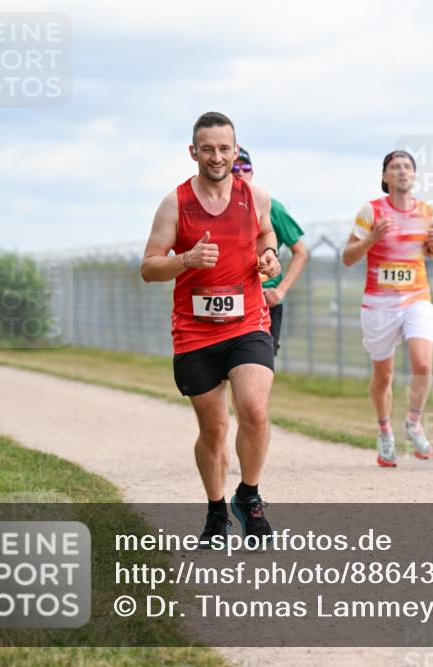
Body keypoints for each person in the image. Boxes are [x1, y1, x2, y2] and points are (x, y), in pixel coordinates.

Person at [140, 112, 281, 548]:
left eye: (224, 148)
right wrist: (185, 260)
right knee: (215, 429)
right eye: (208, 149)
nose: (217, 156)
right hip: (195, 332)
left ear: (235, 151)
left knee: (254, 410)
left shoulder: (255, 196)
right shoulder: (174, 203)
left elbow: (265, 234)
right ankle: (216, 511)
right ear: (193, 152)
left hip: (248, 322)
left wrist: (271, 255)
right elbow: (148, 267)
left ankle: (250, 498)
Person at [341, 150, 433, 467]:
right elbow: (348, 256)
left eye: (407, 167)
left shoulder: (425, 210)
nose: (402, 171)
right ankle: (385, 431)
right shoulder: (371, 211)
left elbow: (424, 253)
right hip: (379, 304)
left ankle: (413, 422)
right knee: (383, 375)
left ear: (414, 175)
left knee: (422, 364)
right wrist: (372, 237)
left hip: (416, 298)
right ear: (385, 177)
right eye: (395, 167)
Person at [233, 146, 308, 356]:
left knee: (258, 369)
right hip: (231, 298)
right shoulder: (214, 208)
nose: (240, 172)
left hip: (266, 300)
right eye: (234, 168)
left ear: (252, 172)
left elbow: (300, 252)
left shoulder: (271, 207)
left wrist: (281, 290)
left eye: (245, 167)